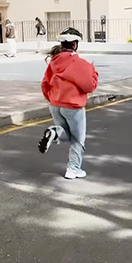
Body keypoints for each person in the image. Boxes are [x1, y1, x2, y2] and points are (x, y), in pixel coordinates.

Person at [36, 28, 99, 179]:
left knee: (65, 133)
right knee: (77, 139)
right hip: (73, 106)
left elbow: (45, 83)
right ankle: (73, 168)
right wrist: (94, 72)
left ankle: (53, 132)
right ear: (75, 44)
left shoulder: (53, 62)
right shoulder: (80, 63)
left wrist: (52, 98)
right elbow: (90, 86)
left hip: (55, 104)